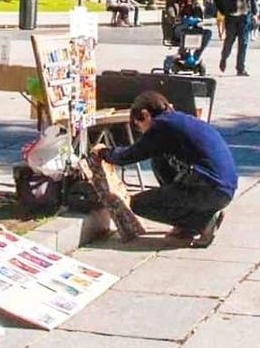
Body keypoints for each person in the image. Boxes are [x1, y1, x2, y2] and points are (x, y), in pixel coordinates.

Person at [91, 91, 237, 246]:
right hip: (222, 187)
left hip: (210, 189)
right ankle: (187, 226)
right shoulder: (178, 120)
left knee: (138, 204)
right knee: (159, 159)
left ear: (145, 115)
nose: (142, 132)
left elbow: (128, 156)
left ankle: (201, 222)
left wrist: (103, 152)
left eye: (139, 126)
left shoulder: (161, 126)